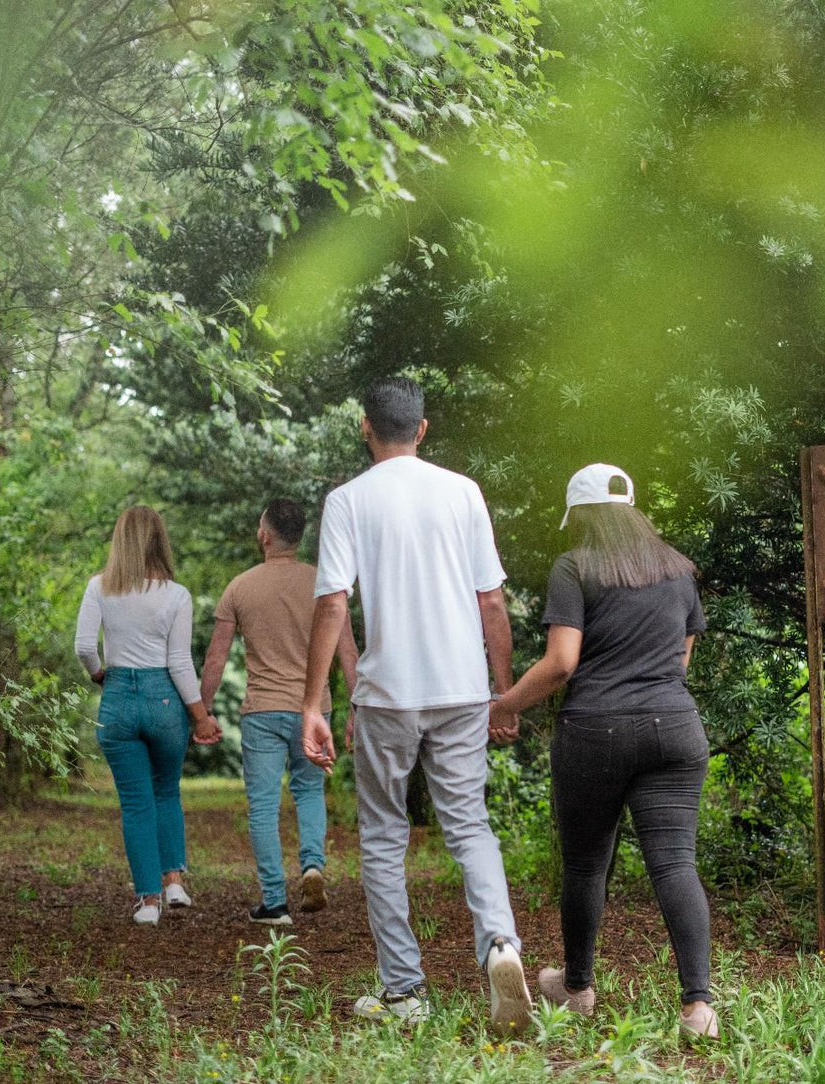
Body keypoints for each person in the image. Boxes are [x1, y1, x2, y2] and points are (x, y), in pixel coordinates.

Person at [300, 375, 532, 1033]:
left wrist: (314, 701)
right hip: (461, 690)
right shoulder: (462, 492)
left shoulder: (346, 500)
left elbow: (332, 603)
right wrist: (503, 691)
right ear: (422, 429)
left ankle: (403, 992)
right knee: (469, 824)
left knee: (381, 836)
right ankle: (501, 945)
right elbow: (491, 600)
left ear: (365, 429)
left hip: (386, 696)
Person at [488, 463, 719, 1039]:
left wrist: (506, 704)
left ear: (582, 516)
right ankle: (698, 1007)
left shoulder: (575, 567)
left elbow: (562, 662)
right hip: (675, 729)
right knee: (675, 864)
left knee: (587, 863)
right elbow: (680, 662)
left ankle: (578, 988)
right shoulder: (678, 570)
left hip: (596, 732)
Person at [200, 499, 358, 926]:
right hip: (315, 711)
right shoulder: (324, 585)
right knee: (309, 792)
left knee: (264, 807)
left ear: (265, 535)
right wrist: (357, 707)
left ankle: (274, 903)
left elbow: (216, 660)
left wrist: (203, 711)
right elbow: (347, 651)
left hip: (262, 713)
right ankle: (313, 866)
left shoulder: (240, 587)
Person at [75, 505, 221, 927]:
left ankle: (149, 902)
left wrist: (100, 673)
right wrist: (200, 717)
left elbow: (85, 646)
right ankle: (174, 881)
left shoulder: (99, 587)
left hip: (118, 698)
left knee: (136, 802)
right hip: (163, 702)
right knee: (166, 790)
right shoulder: (176, 595)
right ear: (160, 541)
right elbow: (179, 662)